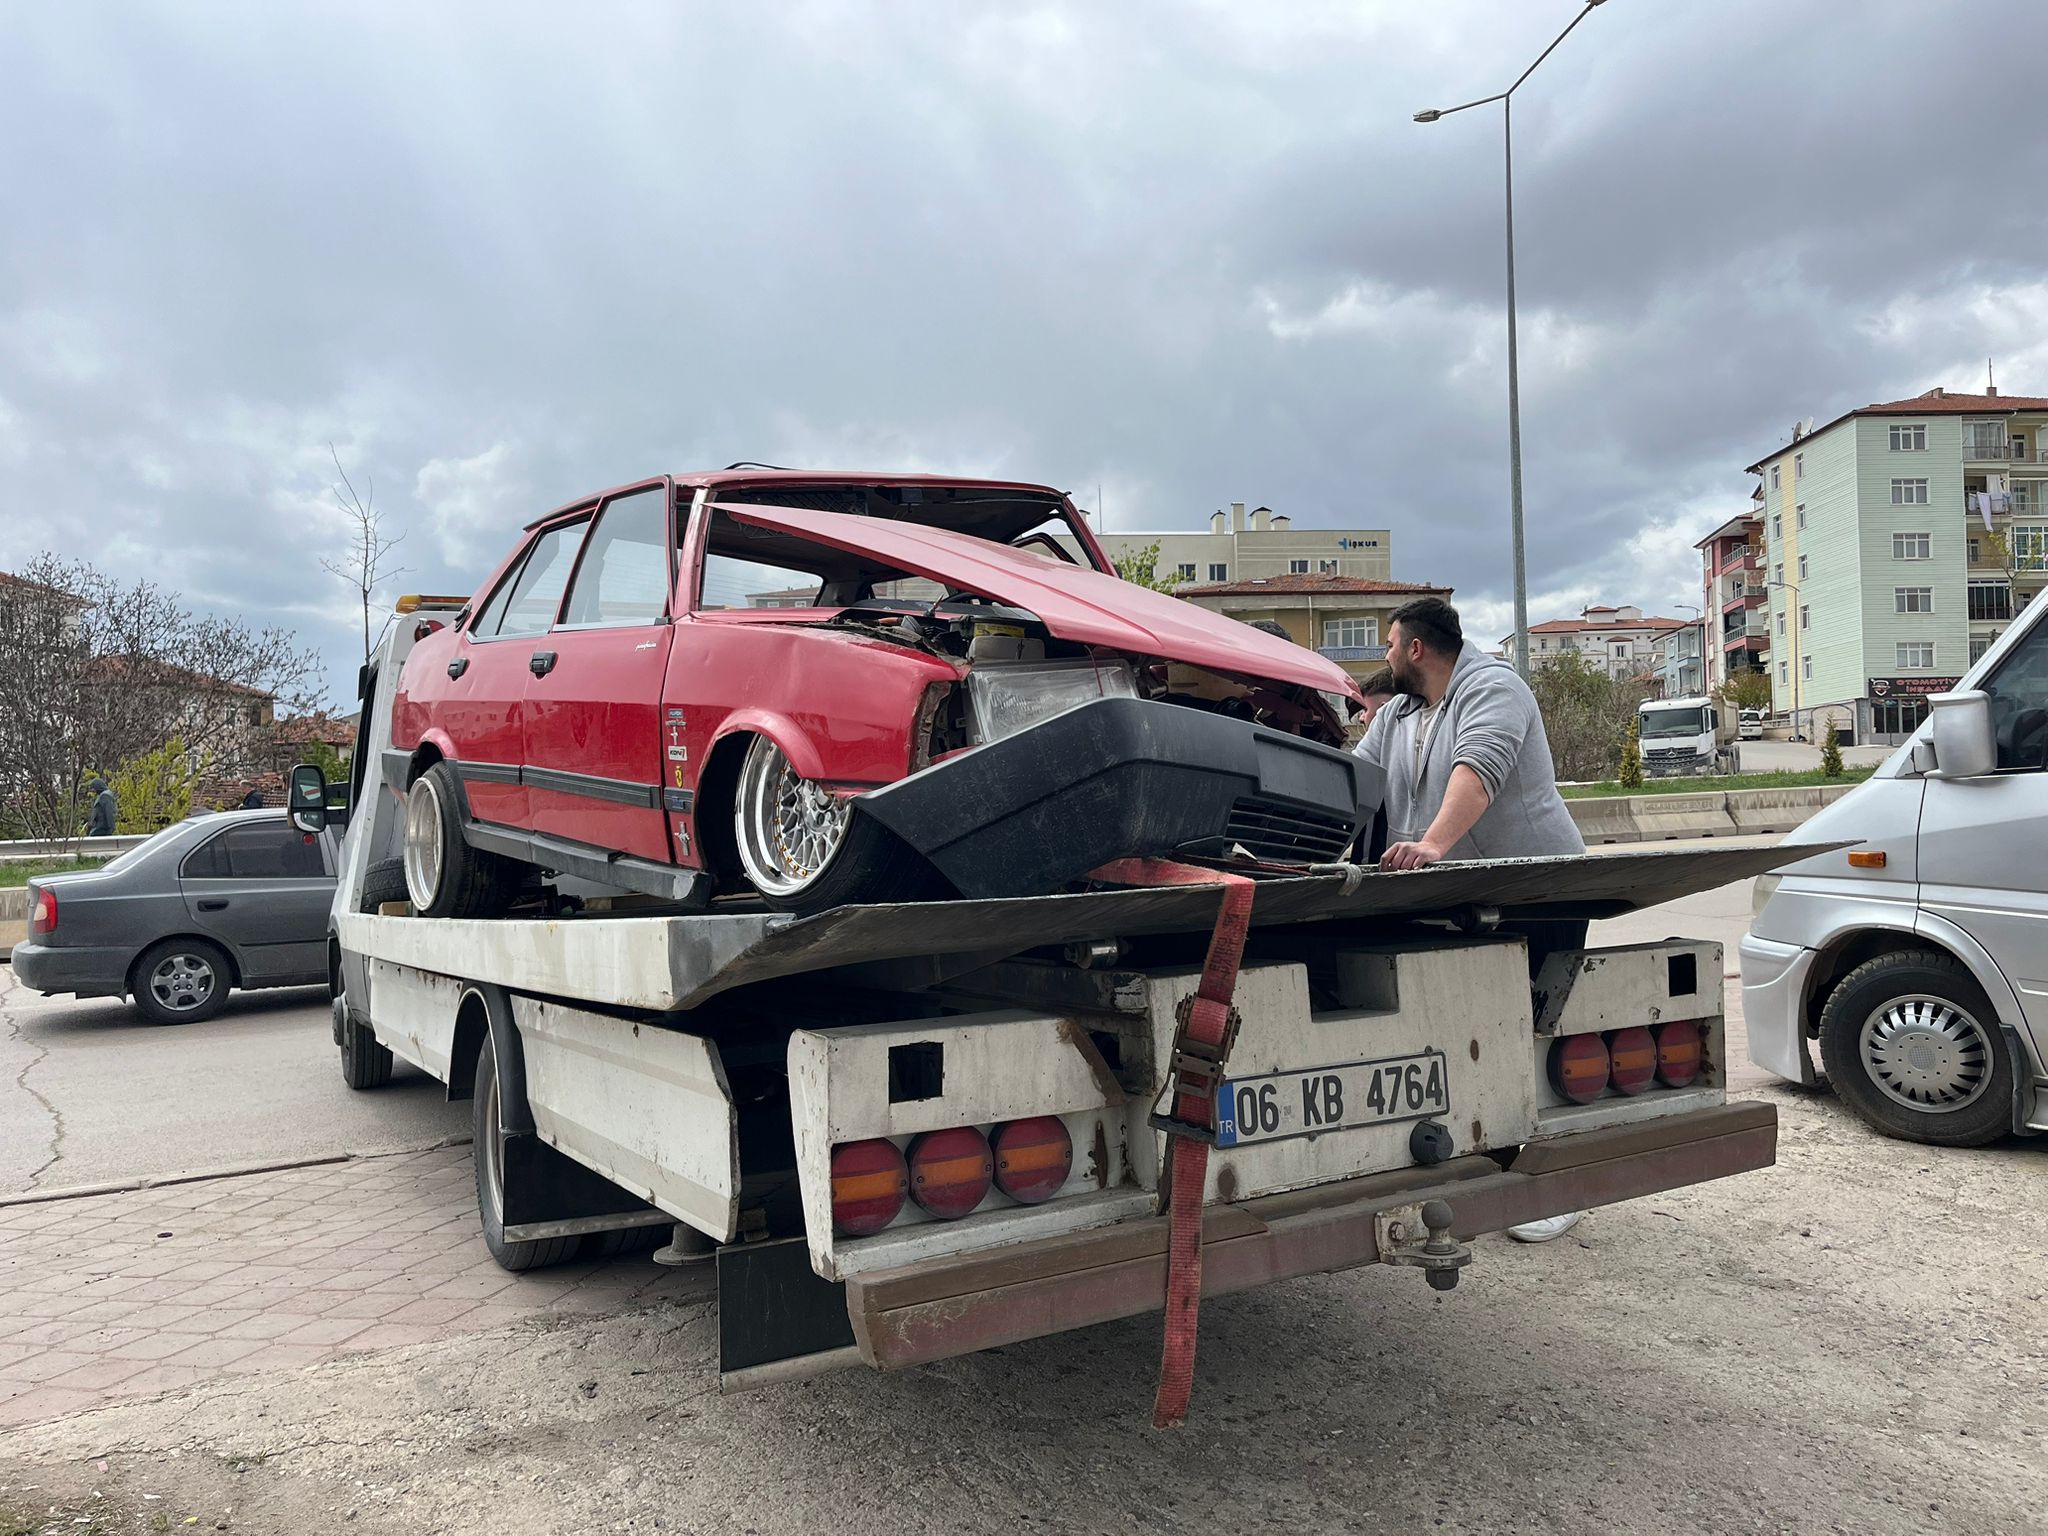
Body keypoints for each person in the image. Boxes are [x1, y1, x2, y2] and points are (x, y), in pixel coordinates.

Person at [1354, 597, 1588, 1244]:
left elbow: (1477, 771)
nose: (1386, 657)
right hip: (1463, 895)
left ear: (1416, 648)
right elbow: (1353, 780)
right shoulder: (1399, 714)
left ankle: (1559, 1186)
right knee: (1476, 1038)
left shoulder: (1493, 689)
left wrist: (1433, 844)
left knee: (1536, 1039)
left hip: (1540, 890)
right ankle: (1495, 1170)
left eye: (1389, 645)